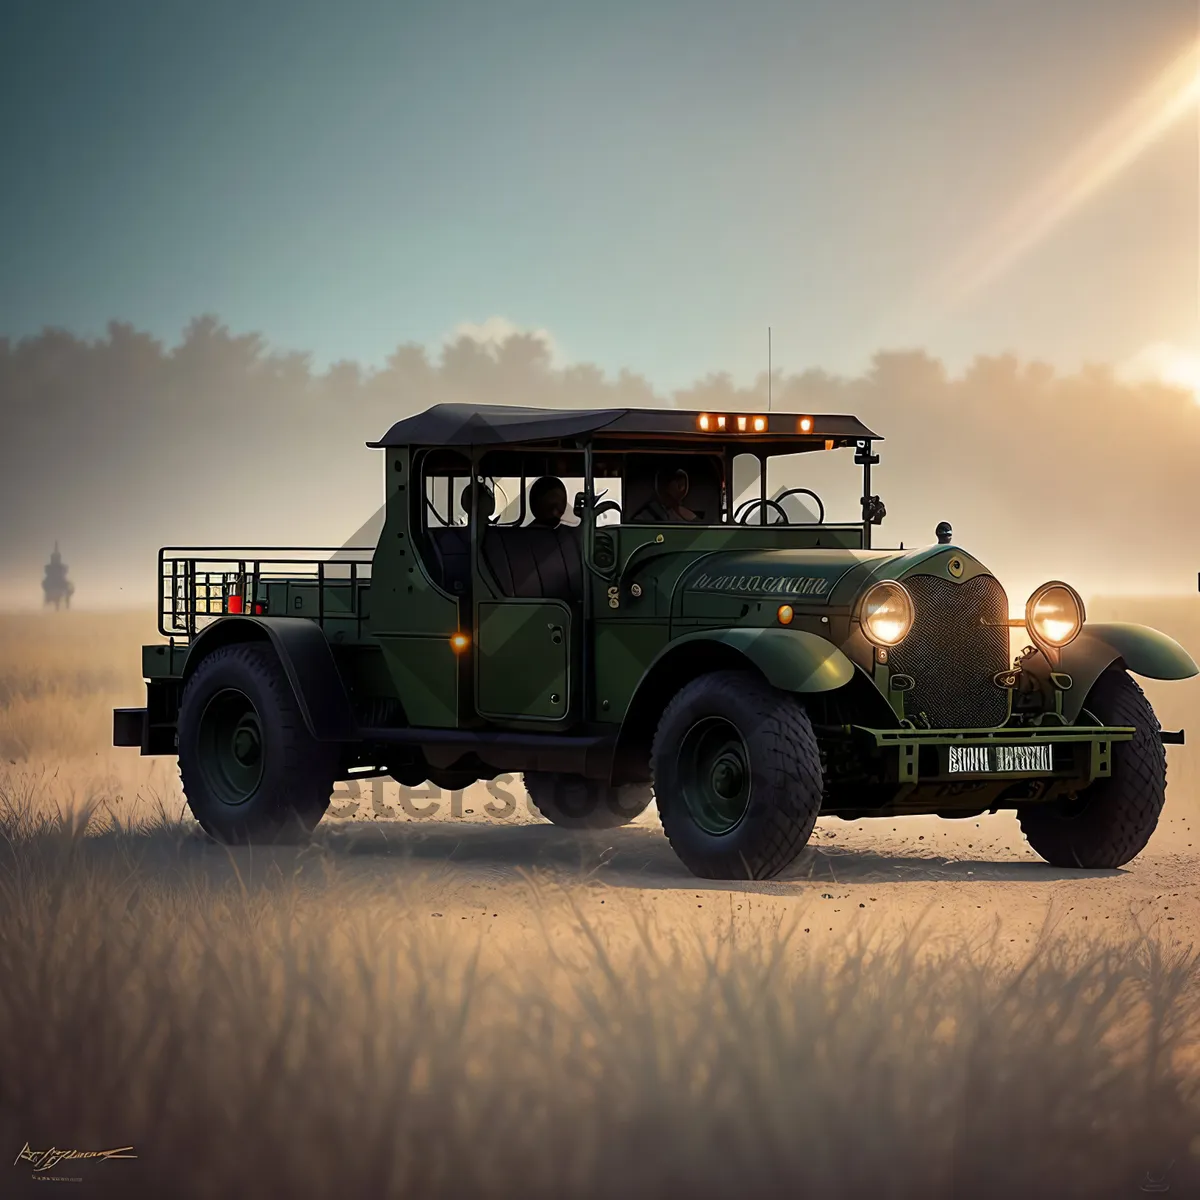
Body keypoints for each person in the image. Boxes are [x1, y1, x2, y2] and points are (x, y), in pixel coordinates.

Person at [633, 467, 698, 523]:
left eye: (683, 484)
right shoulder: (646, 515)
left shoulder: (684, 513)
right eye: (679, 484)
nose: (682, 488)